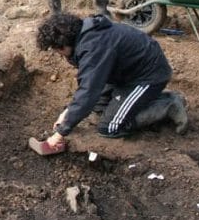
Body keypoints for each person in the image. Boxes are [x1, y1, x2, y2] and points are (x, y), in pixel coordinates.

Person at [31, 13, 188, 155]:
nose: (58, 55)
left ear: (64, 44)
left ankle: (168, 104)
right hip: (123, 72)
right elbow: (87, 84)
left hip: (147, 76)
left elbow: (88, 91)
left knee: (110, 127)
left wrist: (60, 133)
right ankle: (137, 102)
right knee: (97, 108)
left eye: (57, 50)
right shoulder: (84, 35)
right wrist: (67, 112)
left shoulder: (93, 47)